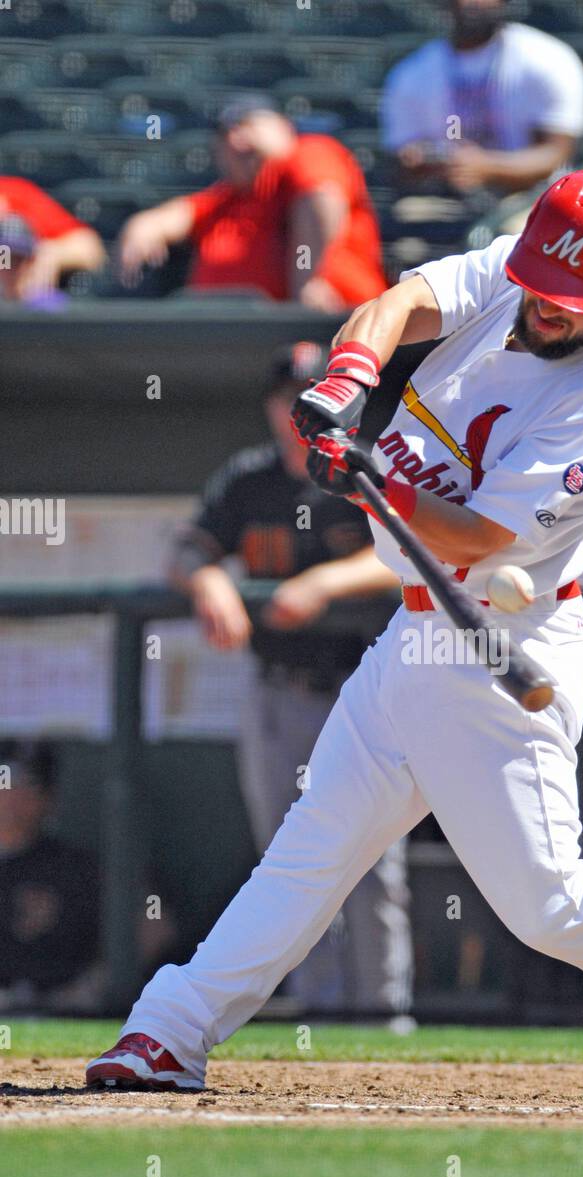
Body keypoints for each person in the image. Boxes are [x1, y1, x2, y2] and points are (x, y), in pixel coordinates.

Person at [87, 170, 583, 1107]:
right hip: (413, 639)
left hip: (499, 639)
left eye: (567, 306)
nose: (540, 308)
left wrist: (361, 470)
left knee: (549, 906)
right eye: (536, 286)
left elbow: (476, 536)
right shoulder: (528, 267)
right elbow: (401, 300)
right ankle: (171, 1031)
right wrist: (349, 382)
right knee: (315, 843)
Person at [167, 341, 412, 1019]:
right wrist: (208, 577)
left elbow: (408, 555)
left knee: (369, 859)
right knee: (289, 861)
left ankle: (385, 1016)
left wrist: (324, 582)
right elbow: (187, 550)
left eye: (313, 392)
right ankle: (317, 1010)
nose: (299, 409)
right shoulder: (247, 481)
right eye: (289, 396)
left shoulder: (361, 467)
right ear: (275, 406)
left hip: (360, 692)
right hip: (276, 689)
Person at [117, 98, 387, 311]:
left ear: (283, 127)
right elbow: (167, 218)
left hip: (328, 327)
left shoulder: (308, 152)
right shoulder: (225, 198)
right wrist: (142, 228)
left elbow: (321, 197)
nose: (236, 140)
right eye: (225, 135)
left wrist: (308, 281)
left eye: (247, 125)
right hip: (225, 338)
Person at [381, 0, 583, 197]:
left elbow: (557, 153)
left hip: (533, 199)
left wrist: (488, 167)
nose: (469, 3)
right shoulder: (412, 72)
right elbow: (400, 161)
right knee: (413, 215)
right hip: (445, 200)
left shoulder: (548, 58)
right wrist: (419, 161)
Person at [0, 740, 101, 1009]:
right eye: (7, 781)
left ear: (48, 798)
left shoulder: (74, 866)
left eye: (29, 785)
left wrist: (95, 984)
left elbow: (153, 925)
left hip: (65, 1006)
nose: (14, 796)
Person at [0, 178, 105, 300]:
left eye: (17, 261)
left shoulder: (12, 193)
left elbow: (90, 248)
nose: (10, 267)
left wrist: (48, 255)